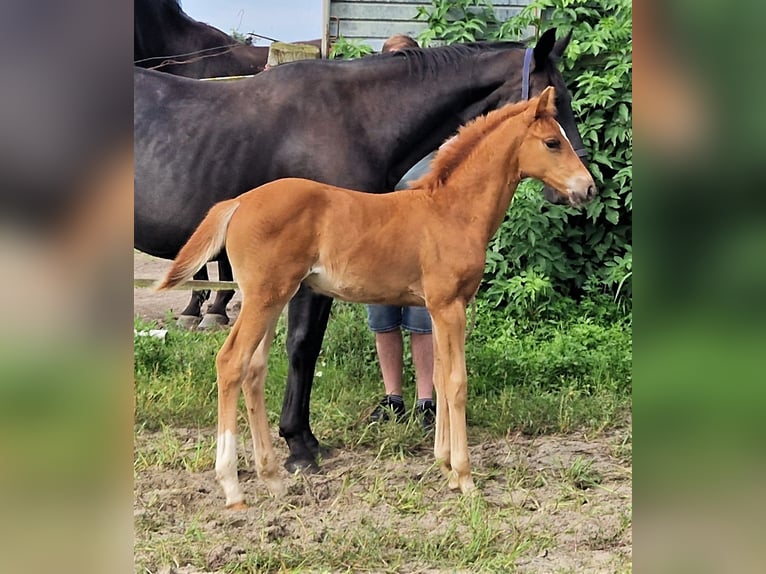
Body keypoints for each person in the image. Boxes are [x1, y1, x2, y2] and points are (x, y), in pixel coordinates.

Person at [368, 34, 437, 430]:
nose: (402, 65)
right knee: (383, 319)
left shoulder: (431, 112)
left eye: (409, 58)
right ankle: (393, 398)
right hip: (379, 230)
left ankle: (426, 401)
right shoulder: (373, 112)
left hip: (422, 232)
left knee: (422, 317)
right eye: (395, 59)